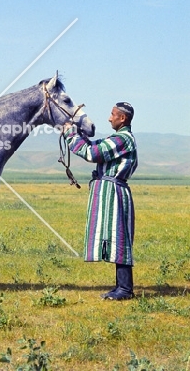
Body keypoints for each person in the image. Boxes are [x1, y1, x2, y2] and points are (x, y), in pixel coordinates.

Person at [63, 102, 138, 300]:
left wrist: (70, 134)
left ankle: (125, 289)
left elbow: (92, 153)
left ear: (122, 119)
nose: (109, 118)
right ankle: (120, 286)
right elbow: (95, 146)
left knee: (119, 237)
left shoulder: (123, 139)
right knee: (114, 237)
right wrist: (79, 134)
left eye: (112, 114)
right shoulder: (118, 138)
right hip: (108, 190)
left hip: (114, 191)